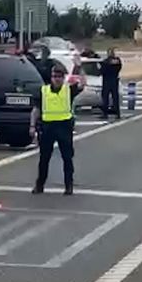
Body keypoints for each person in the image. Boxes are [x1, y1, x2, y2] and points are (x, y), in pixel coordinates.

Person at [30, 63, 84, 195]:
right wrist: (32, 126)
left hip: (64, 127)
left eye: (59, 76)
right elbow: (36, 110)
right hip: (47, 127)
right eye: (54, 76)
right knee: (44, 158)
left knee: (67, 158)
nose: (57, 79)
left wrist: (79, 66)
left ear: (63, 78)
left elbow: (82, 83)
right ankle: (40, 185)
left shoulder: (68, 90)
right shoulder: (44, 91)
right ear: (51, 77)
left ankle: (68, 185)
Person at [100, 47, 123, 119]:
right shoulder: (117, 61)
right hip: (115, 80)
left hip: (107, 81)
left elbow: (102, 71)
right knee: (115, 98)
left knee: (105, 98)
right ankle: (117, 114)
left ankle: (105, 114)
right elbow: (119, 68)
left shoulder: (105, 62)